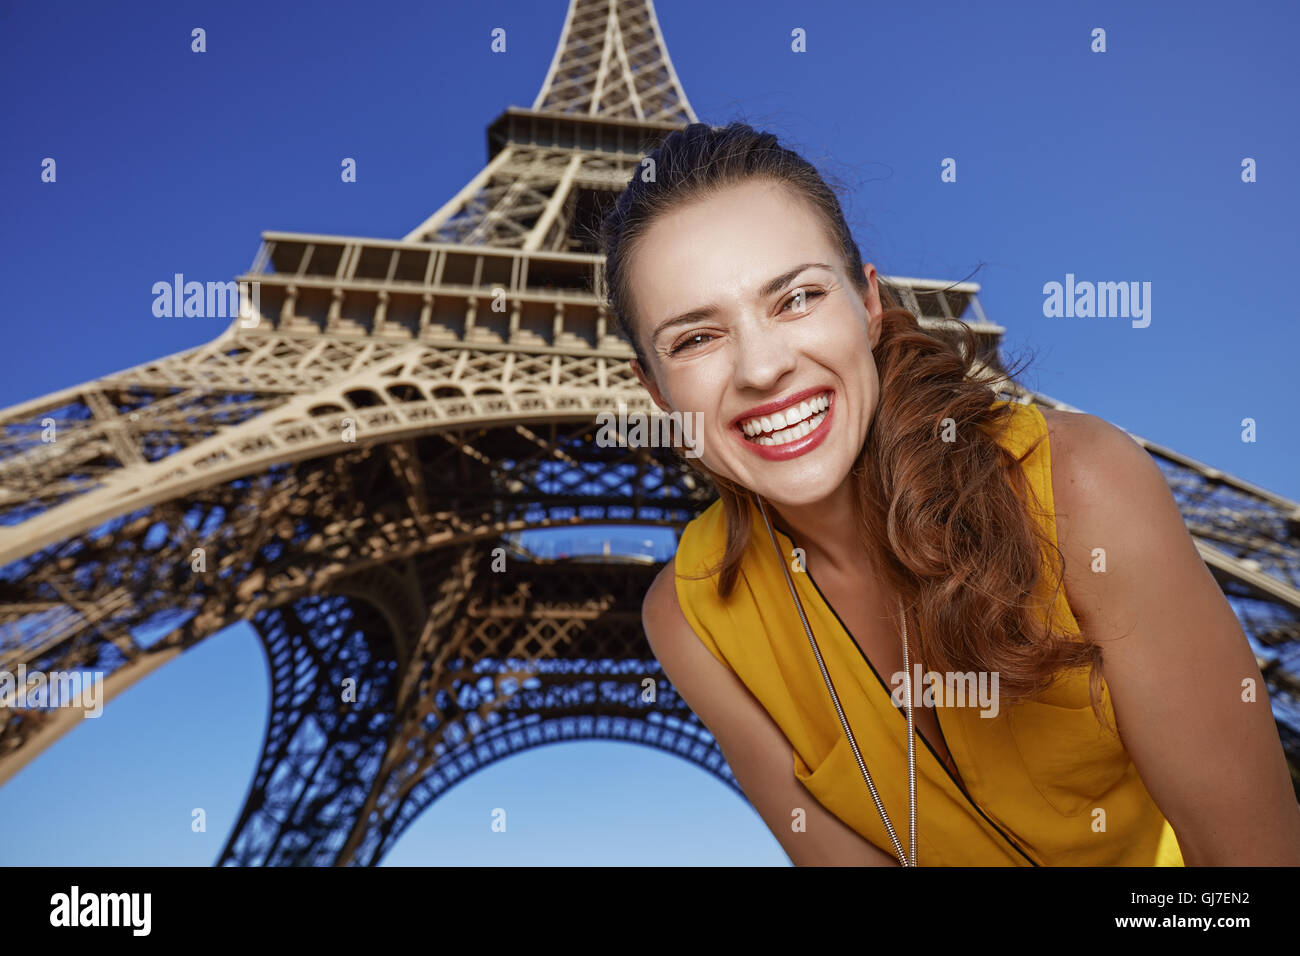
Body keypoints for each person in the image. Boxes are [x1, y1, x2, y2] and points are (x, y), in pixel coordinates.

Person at [599, 121, 1300, 866]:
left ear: (869, 306)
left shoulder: (1078, 487)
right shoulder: (691, 618)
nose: (763, 366)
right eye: (695, 339)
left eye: (797, 297)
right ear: (654, 389)